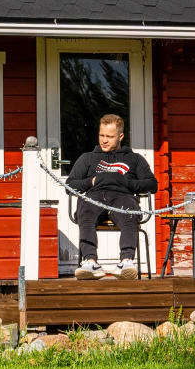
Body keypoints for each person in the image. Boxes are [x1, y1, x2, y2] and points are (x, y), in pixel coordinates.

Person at [66, 113, 157, 280]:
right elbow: (69, 185)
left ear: (120, 136)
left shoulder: (134, 159)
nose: (104, 140)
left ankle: (126, 262)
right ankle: (90, 262)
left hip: (122, 197)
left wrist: (128, 183)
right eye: (101, 135)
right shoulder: (87, 158)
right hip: (94, 196)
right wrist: (91, 181)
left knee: (130, 212)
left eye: (109, 136)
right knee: (85, 210)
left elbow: (152, 184)